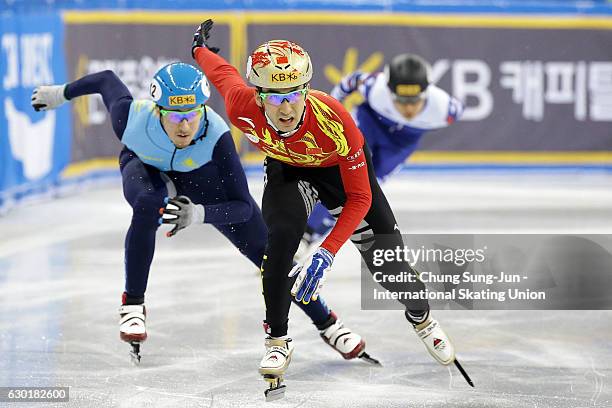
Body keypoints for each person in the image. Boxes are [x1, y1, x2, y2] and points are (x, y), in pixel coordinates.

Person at [30, 62, 373, 365]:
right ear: (158, 111)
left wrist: (198, 215)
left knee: (273, 258)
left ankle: (328, 323)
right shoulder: (132, 119)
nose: (185, 127)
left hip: (202, 181)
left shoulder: (217, 136)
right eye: (176, 117)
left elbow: (240, 207)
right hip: (146, 168)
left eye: (193, 115)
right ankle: (133, 305)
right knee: (147, 205)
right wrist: (61, 94)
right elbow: (105, 79)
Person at [191, 19, 461, 396]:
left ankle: (422, 318)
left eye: (294, 94)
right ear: (258, 95)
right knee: (281, 244)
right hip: (288, 170)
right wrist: (199, 50)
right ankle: (277, 341)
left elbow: (361, 198)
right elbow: (222, 74)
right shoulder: (241, 106)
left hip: (340, 171)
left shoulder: (336, 120)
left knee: (389, 267)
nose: (285, 108)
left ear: (306, 90)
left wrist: (327, 252)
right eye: (274, 96)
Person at [298, 53, 464, 258]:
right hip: (371, 125)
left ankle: (310, 233)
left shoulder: (445, 109)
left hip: (399, 145)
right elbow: (349, 82)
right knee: (344, 175)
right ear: (389, 91)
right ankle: (305, 231)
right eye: (401, 101)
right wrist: (330, 111)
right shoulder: (375, 88)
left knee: (364, 190)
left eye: (415, 101)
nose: (408, 108)